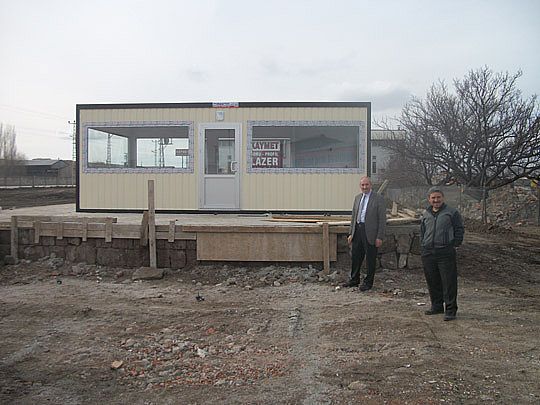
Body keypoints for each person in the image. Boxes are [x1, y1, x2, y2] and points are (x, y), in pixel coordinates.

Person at [420, 186, 464, 321]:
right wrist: (423, 245)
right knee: (432, 281)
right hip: (428, 252)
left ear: (443, 198)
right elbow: (422, 231)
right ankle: (437, 306)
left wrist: (455, 244)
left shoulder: (452, 212)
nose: (436, 200)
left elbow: (459, 229)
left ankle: (450, 310)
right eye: (433, 198)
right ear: (429, 199)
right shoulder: (426, 213)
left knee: (448, 282)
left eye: (438, 197)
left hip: (445, 252)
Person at [343, 176, 386, 291]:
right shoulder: (357, 198)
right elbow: (353, 217)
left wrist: (379, 237)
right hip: (358, 230)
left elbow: (382, 219)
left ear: (371, 185)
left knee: (370, 259)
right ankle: (354, 279)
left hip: (371, 233)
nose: (364, 187)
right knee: (356, 256)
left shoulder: (378, 199)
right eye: (362, 185)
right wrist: (351, 233)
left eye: (366, 185)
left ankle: (368, 283)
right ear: (360, 186)